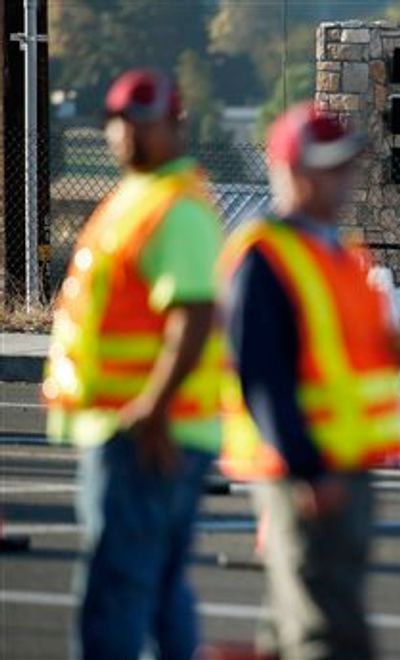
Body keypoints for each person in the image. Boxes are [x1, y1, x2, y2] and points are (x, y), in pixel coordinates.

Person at [219, 103, 400, 660]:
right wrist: (306, 468)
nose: (343, 179)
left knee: (293, 624)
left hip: (349, 464)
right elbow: (261, 373)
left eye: (347, 165)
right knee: (326, 631)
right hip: (310, 473)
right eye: (329, 166)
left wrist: (389, 353)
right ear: (291, 170)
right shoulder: (265, 257)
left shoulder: (340, 255)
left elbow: (337, 356)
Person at [42, 69, 224, 659]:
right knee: (155, 588)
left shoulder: (173, 209)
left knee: (117, 591)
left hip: (146, 430)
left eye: (145, 121)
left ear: (175, 126)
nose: (130, 134)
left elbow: (194, 314)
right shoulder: (135, 200)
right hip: (138, 423)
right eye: (121, 121)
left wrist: (153, 407)